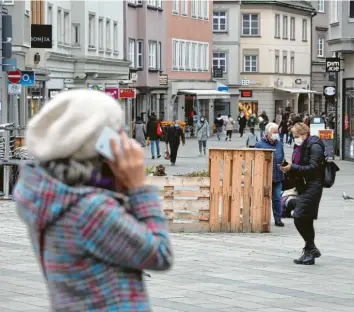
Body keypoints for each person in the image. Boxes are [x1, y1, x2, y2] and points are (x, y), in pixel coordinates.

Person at [14, 90, 173, 311]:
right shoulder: (89, 209)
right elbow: (160, 254)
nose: (124, 141)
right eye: (118, 132)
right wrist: (139, 187)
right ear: (100, 144)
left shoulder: (51, 194)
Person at [280, 122, 325, 265]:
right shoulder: (301, 145)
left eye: (296, 136)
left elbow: (313, 167)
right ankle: (309, 251)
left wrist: (292, 167)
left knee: (299, 216)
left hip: (313, 185)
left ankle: (311, 248)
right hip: (304, 185)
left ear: (304, 134)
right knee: (306, 219)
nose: (295, 138)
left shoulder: (315, 146)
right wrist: (289, 167)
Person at [255, 122, 285, 227]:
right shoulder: (260, 144)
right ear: (268, 133)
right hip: (265, 177)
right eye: (274, 132)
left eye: (278, 132)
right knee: (263, 198)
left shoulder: (279, 144)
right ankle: (262, 219)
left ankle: (278, 219)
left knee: (277, 198)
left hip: (278, 176)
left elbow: (282, 158)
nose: (277, 134)